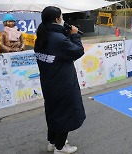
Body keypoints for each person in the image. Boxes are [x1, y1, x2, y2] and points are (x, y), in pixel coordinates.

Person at [34, 6, 86, 154]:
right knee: (65, 114)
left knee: (53, 112)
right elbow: (77, 51)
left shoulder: (43, 35)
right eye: (61, 17)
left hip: (49, 82)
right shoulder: (57, 39)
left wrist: (66, 35)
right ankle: (60, 147)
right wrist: (75, 35)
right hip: (62, 84)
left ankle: (52, 142)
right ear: (57, 19)